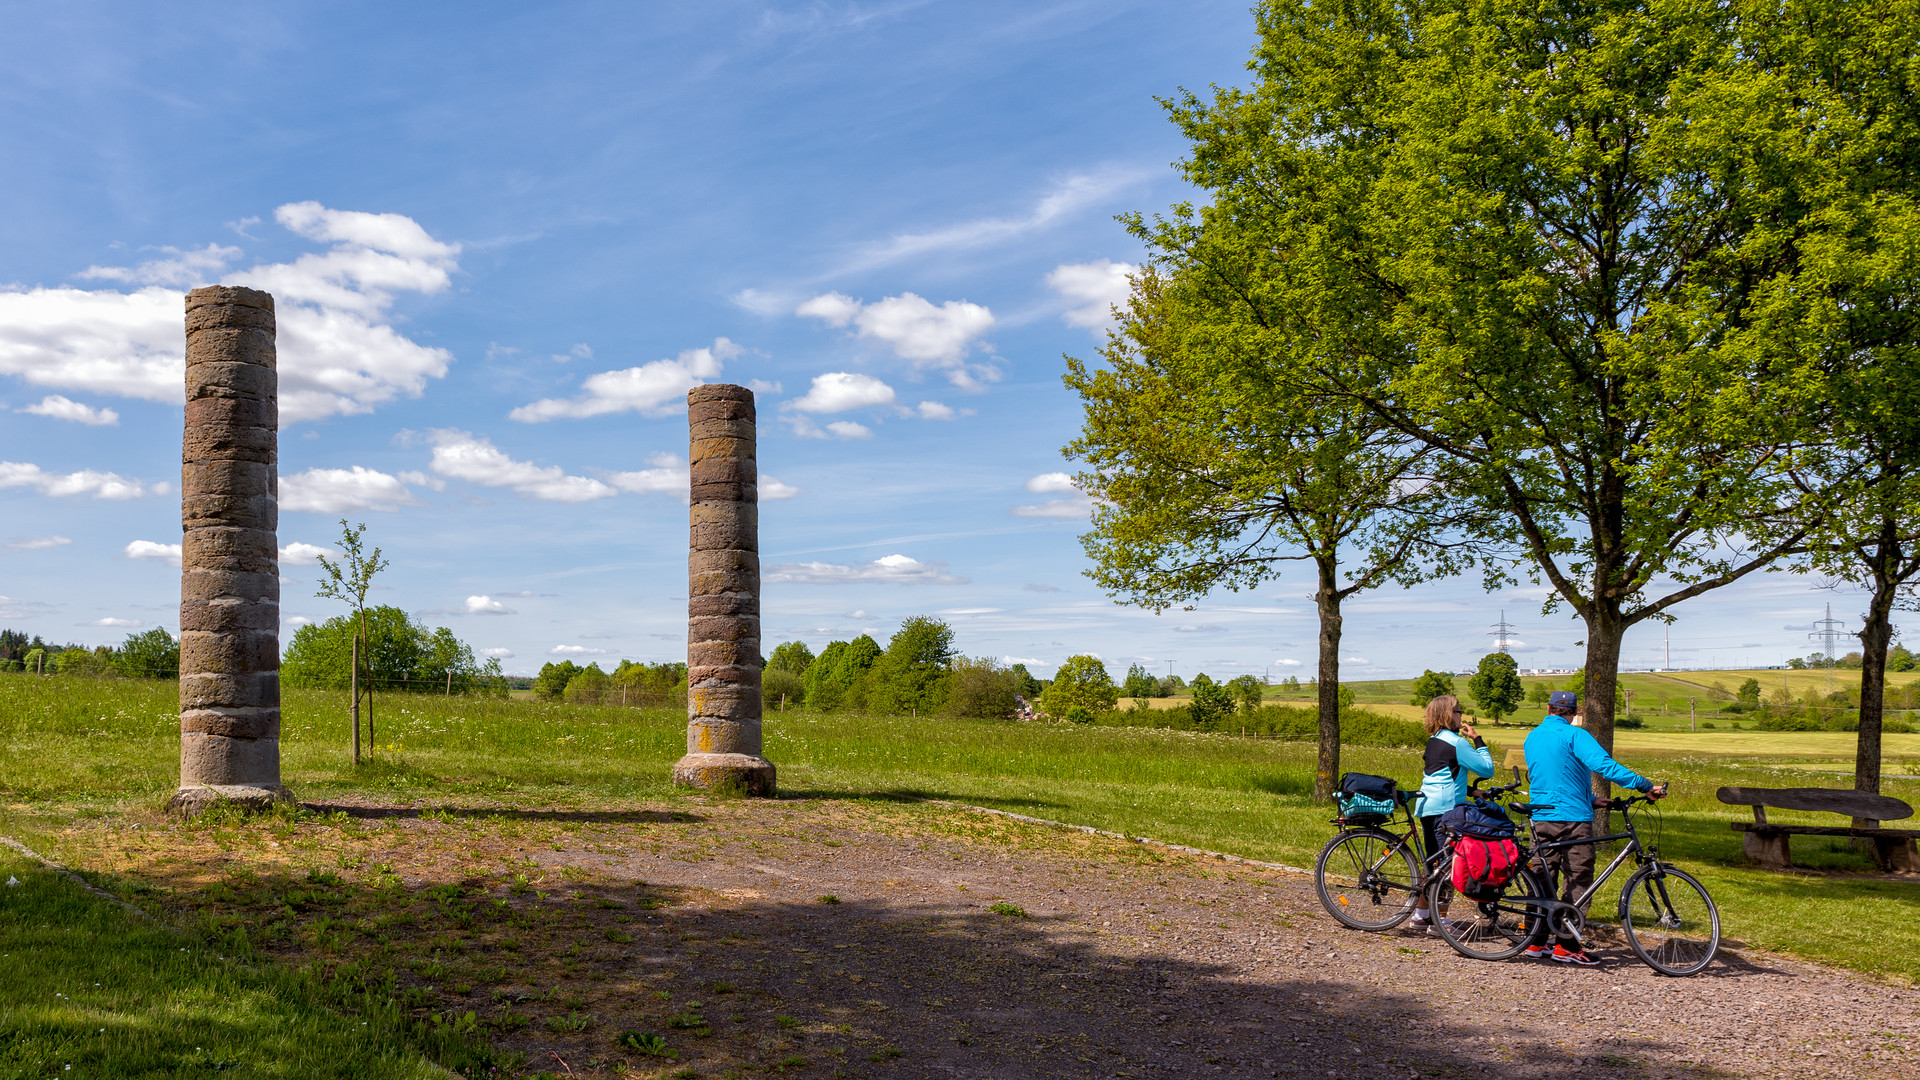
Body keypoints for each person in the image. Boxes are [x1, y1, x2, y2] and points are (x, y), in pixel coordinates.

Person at [1520, 689, 1668, 964]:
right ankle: (1566, 945)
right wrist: (1646, 785)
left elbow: (1549, 775)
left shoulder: (1533, 736)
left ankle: (1534, 941)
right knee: (1578, 877)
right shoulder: (1575, 735)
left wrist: (1589, 798)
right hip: (1572, 818)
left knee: (1541, 880)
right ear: (1574, 713)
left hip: (1541, 815)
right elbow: (1603, 765)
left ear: (1549, 709)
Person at [1409, 694, 1493, 933]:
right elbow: (1487, 768)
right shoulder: (1458, 743)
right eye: (1458, 711)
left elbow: (1442, 776)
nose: (1461, 715)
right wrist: (1478, 740)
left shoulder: (1433, 740)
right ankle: (1441, 922)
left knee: (1434, 866)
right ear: (1447, 714)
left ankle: (1421, 914)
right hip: (1446, 811)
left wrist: (1471, 791)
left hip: (1427, 807)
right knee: (1448, 866)